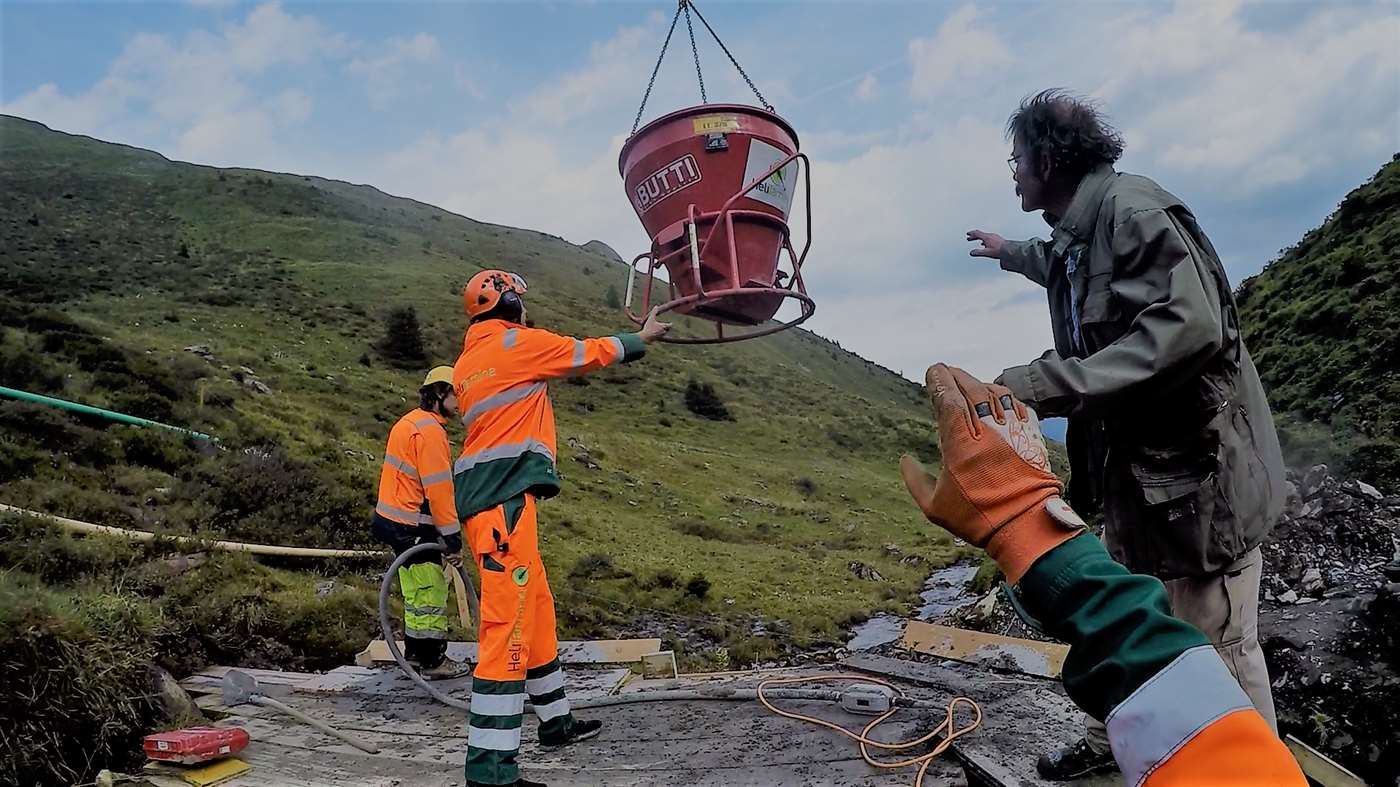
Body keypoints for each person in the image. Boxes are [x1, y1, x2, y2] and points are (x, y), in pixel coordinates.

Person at [966, 90, 1286, 779]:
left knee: (1221, 644)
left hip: (1202, 483)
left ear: (1049, 157)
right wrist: (1005, 252)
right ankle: (1121, 737)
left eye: (1017, 157)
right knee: (1136, 620)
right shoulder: (1081, 229)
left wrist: (1045, 381)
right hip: (1143, 482)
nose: (1012, 170)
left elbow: (1192, 326)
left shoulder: (1135, 211)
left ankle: (1254, 771)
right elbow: (1059, 263)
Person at [900, 364, 1304, 786]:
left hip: (1202, 505)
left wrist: (1023, 525)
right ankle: (1104, 746)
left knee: (1223, 641)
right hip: (1131, 505)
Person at [451, 269, 670, 787]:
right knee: (506, 632)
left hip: (496, 505)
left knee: (537, 613)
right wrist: (643, 339)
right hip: (503, 506)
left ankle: (556, 722)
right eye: (520, 300)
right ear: (507, 303)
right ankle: (490, 773)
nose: (527, 309)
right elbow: (583, 353)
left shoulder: (468, 363)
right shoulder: (514, 344)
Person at [370, 365, 470, 680]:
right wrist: (453, 540)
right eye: (457, 395)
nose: (460, 403)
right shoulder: (430, 433)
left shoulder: (408, 422)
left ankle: (414, 656)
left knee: (415, 593)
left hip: (392, 521)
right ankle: (432, 661)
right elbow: (439, 492)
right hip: (412, 525)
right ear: (440, 393)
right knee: (431, 593)